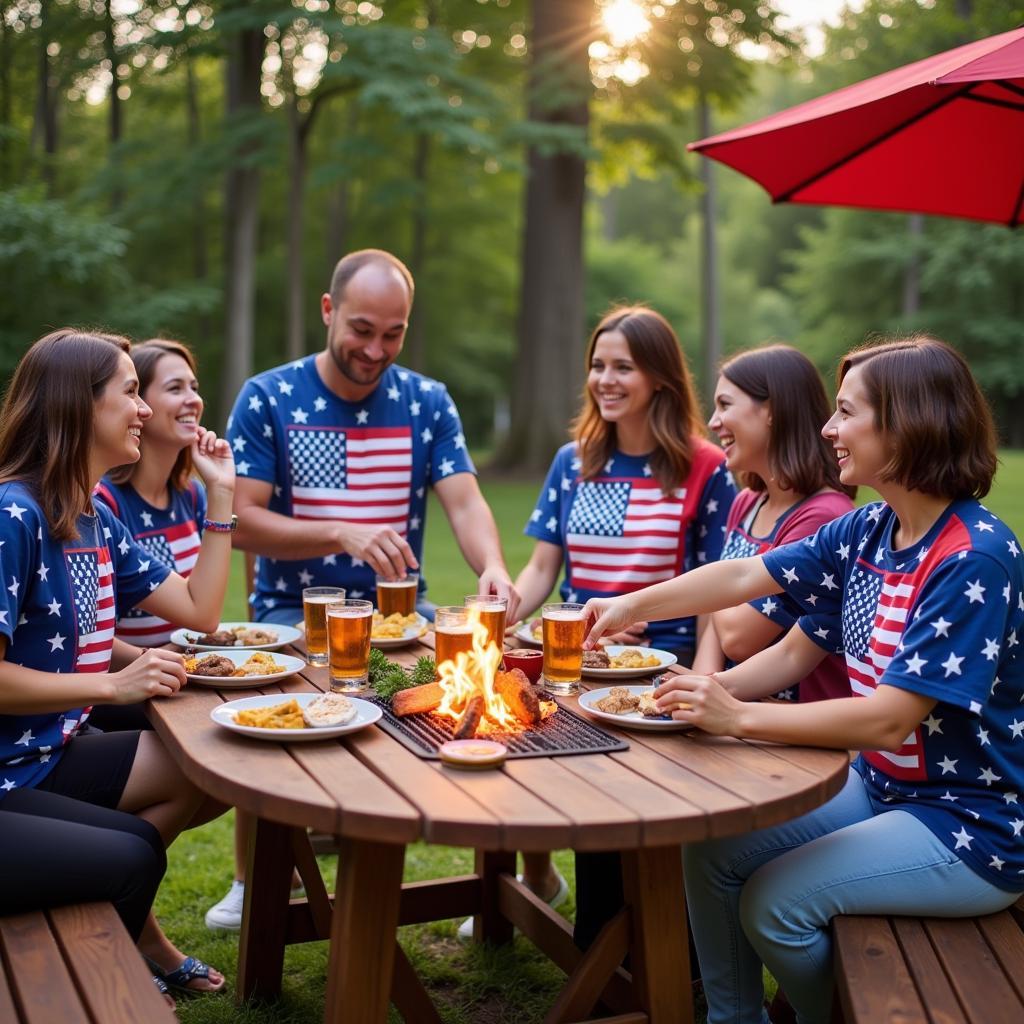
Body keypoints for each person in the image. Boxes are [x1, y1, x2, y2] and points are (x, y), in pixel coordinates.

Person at [583, 335, 1024, 1024]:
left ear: (906, 423)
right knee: (714, 850)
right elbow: (740, 576)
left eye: (846, 412)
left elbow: (885, 719)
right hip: (883, 790)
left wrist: (733, 715)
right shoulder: (869, 530)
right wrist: (629, 604)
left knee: (777, 903)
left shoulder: (975, 557)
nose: (827, 428)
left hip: (967, 825)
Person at [211, 247, 520, 930]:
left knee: (488, 685)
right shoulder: (269, 396)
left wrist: (492, 566)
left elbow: (465, 503)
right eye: (361, 329)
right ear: (328, 311)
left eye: (393, 333)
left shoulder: (427, 401)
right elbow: (240, 521)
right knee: (284, 713)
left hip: (400, 613)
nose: (375, 349)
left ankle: (512, 872)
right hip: (294, 613)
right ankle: (248, 878)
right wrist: (340, 533)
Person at [462, 305, 736, 944]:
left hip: (656, 670)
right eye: (597, 366)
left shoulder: (702, 468)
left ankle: (648, 947)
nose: (605, 380)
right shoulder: (574, 461)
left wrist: (701, 681)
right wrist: (501, 614)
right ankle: (594, 935)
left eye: (623, 368)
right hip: (570, 665)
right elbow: (541, 570)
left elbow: (713, 595)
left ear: (661, 380)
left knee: (631, 795)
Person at [0, 328, 234, 1000]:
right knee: (132, 852)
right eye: (131, 392)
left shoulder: (92, 517)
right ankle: (100, 980)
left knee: (203, 766)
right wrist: (113, 682)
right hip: (9, 775)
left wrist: (220, 495)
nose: (142, 410)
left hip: (50, 753)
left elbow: (199, 611)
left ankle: (88, 914)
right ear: (80, 405)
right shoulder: (15, 515)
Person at [692, 344, 856, 696]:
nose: (713, 422)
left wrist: (720, 591)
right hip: (726, 704)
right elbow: (712, 626)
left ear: (772, 411)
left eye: (725, 405)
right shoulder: (747, 502)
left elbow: (738, 638)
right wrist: (699, 690)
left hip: (791, 722)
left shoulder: (821, 516)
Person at [94, 339, 206, 649]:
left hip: (184, 672)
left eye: (194, 387)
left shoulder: (192, 495)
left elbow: (206, 614)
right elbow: (87, 630)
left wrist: (222, 491)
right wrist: (149, 662)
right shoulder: (105, 504)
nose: (194, 400)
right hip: (129, 687)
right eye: (175, 388)